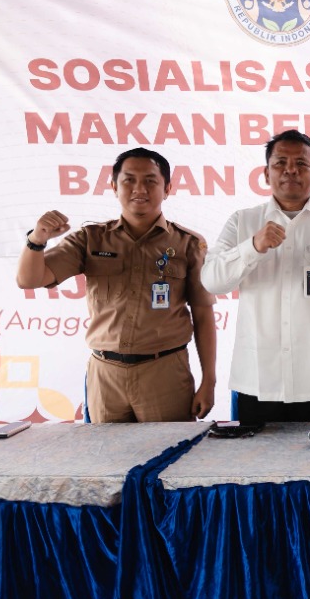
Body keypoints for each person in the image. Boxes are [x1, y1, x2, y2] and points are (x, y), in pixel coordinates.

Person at [17, 147, 216, 422]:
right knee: (106, 461)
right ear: (113, 186)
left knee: (170, 459)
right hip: (105, 373)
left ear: (167, 188)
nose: (139, 189)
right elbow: (29, 279)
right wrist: (37, 239)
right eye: (129, 180)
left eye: (150, 180)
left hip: (165, 372)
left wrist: (209, 381)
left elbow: (203, 315)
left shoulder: (188, 244)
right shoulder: (90, 239)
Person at [201, 130, 310, 423]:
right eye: (281, 163)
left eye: (301, 163)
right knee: (260, 468)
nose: (291, 170)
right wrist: (253, 246)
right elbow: (212, 280)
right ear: (266, 173)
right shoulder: (243, 221)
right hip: (258, 380)